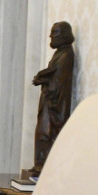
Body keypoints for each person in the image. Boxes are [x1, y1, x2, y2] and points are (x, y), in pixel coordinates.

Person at [31, 21, 75, 175]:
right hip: (48, 102)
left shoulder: (67, 54)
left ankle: (44, 164)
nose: (50, 36)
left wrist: (42, 80)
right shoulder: (59, 53)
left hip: (55, 104)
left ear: (63, 35)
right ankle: (39, 163)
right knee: (41, 132)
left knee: (46, 133)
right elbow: (53, 71)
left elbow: (59, 81)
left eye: (54, 32)